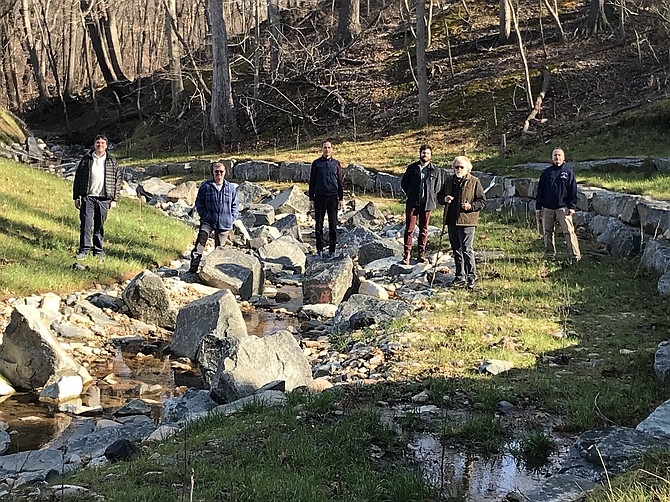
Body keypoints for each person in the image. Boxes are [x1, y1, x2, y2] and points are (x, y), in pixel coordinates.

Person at [438, 156, 486, 289]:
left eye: (461, 167)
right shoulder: (449, 181)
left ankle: (471, 278)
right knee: (456, 250)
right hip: (451, 220)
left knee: (467, 250)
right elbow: (439, 196)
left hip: (467, 221)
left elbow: (482, 201)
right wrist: (445, 199)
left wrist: (470, 206)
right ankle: (459, 277)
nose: (458, 169)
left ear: (468, 169)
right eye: (456, 167)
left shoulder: (475, 181)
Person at [73, 134, 123, 260]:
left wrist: (115, 199)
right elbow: (77, 178)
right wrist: (76, 197)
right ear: (94, 144)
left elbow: (118, 181)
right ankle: (84, 250)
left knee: (99, 225)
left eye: (102, 143)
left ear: (106, 146)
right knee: (86, 224)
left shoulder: (112, 162)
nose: (100, 145)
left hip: (104, 198)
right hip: (88, 197)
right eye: (97, 143)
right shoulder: (86, 159)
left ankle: (98, 250)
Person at [189, 162, 239, 273]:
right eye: (217, 171)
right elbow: (199, 203)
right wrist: (204, 215)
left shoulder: (231, 188)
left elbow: (235, 205)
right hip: (208, 221)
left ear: (225, 172)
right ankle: (193, 268)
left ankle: (216, 273)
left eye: (221, 171)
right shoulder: (205, 186)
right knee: (200, 244)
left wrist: (231, 218)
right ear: (213, 172)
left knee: (220, 250)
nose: (219, 174)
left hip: (225, 222)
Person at [400, 144, 445, 264]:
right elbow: (404, 183)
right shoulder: (412, 168)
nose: (425, 155)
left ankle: (421, 254)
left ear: (431, 155)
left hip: (427, 204)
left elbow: (438, 186)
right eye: (423, 152)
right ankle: (407, 255)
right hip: (413, 203)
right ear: (420, 153)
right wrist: (411, 193)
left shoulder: (436, 170)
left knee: (424, 229)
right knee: (409, 229)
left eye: (427, 153)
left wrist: (431, 196)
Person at [535, 148, 581, 263]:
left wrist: (572, 206)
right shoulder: (546, 173)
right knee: (547, 232)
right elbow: (540, 191)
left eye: (559, 155)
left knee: (569, 232)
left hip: (563, 208)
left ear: (564, 157)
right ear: (551, 158)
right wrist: (538, 207)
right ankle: (549, 255)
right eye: (555, 155)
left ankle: (575, 256)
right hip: (547, 208)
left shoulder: (568, 172)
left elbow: (573, 191)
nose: (557, 158)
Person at [308, 140, 344, 257]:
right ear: (321, 149)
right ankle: (320, 249)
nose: (327, 149)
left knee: (333, 225)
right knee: (319, 225)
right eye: (325, 147)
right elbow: (312, 181)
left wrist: (341, 198)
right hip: (319, 197)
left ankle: (332, 250)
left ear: (332, 150)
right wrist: (311, 199)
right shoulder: (316, 163)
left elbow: (339, 181)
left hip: (333, 197)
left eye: (329, 148)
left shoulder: (336, 163)